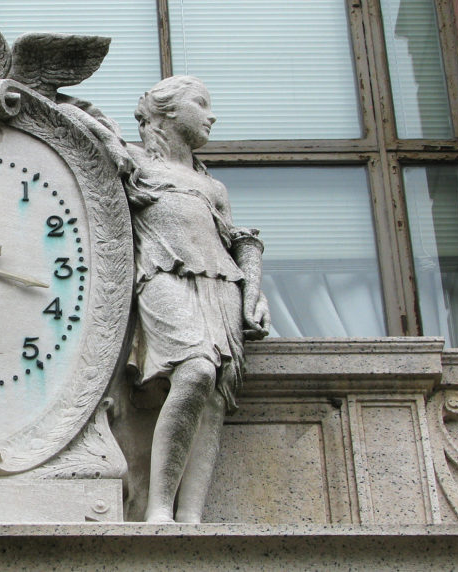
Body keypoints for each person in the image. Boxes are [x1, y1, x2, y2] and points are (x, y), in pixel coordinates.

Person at [124, 75, 270, 523]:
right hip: (160, 274)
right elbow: (82, 128)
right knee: (196, 369)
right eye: (201, 103)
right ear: (166, 112)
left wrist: (253, 294)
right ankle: (159, 507)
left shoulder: (213, 188)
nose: (211, 115)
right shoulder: (135, 164)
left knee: (212, 395)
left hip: (220, 285)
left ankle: (189, 516)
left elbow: (241, 241)